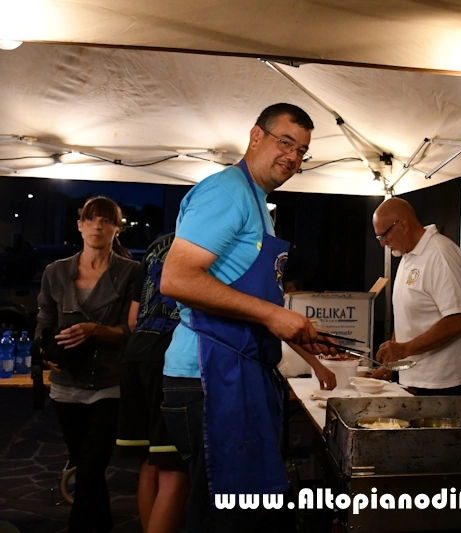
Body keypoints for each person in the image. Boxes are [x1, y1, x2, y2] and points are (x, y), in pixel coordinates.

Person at [159, 103, 336, 533]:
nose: (293, 157)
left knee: (243, 511)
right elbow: (177, 278)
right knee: (221, 515)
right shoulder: (227, 191)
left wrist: (301, 339)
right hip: (208, 375)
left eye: (302, 151)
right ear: (256, 136)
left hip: (238, 371)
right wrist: (272, 314)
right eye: (285, 142)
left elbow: (248, 294)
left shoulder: (257, 203)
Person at [35, 196, 138, 533]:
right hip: (66, 384)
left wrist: (95, 330)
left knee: (91, 468)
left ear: (117, 229)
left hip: (110, 383)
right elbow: (44, 319)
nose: (98, 226)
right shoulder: (56, 271)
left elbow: (132, 331)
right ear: (79, 226)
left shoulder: (131, 272)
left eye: (106, 220)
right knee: (85, 467)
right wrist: (44, 350)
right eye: (91, 219)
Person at [372, 197, 461, 395]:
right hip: (420, 375)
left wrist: (404, 349)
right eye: (379, 238)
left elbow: (457, 321)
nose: (383, 243)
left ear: (403, 225)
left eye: (384, 235)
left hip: (445, 379)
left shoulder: (440, 255)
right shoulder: (408, 255)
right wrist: (392, 361)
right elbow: (408, 316)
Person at [116, 232, 190, 533]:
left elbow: (133, 318)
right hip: (170, 356)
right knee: (175, 470)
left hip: (136, 353)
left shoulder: (156, 245)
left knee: (149, 464)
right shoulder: (206, 241)